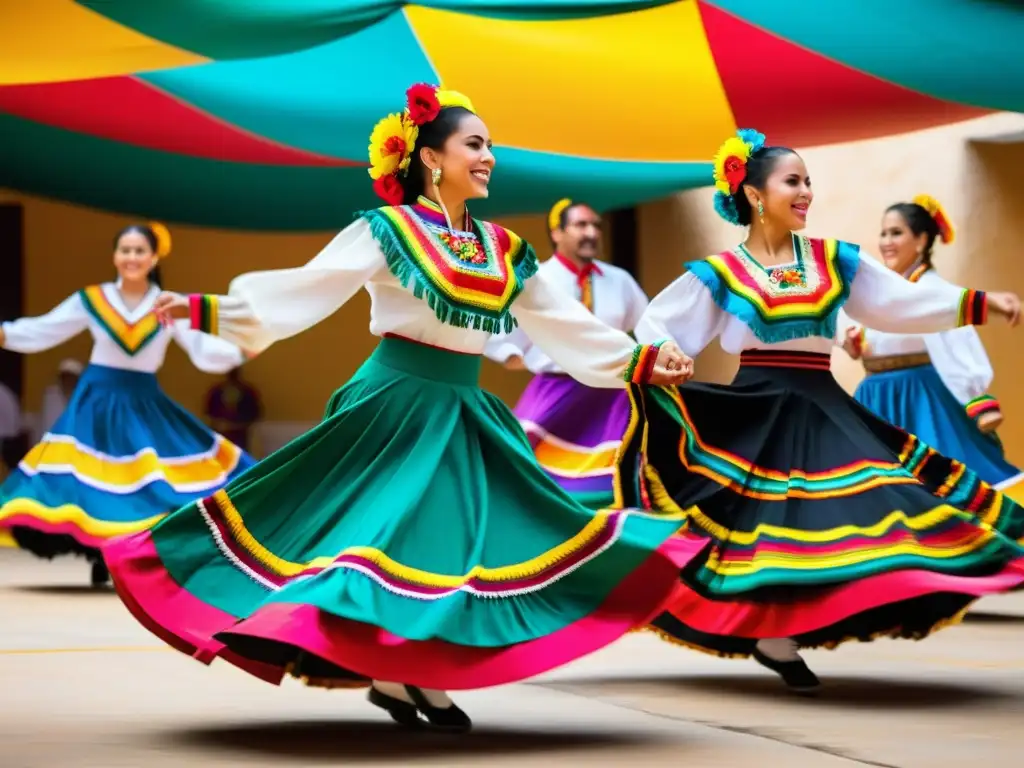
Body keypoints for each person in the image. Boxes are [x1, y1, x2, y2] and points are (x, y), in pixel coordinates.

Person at [102, 83, 693, 733]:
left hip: (464, 411)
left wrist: (641, 358)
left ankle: (408, 674)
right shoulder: (387, 230)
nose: (490, 156)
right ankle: (394, 672)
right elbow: (309, 289)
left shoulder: (504, 249)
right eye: (476, 144)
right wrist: (208, 310)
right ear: (432, 159)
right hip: (393, 405)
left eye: (491, 145)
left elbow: (562, 326)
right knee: (376, 542)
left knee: (451, 547)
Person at [614, 129, 1024, 693]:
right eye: (793, 181)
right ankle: (775, 637)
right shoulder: (721, 273)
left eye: (809, 181)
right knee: (766, 526)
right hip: (759, 410)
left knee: (879, 504)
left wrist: (978, 303)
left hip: (825, 404)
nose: (807, 191)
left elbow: (898, 304)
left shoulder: (833, 259)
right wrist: (665, 357)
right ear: (755, 194)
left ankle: (806, 623)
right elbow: (659, 326)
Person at [0, 223, 256, 586]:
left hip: (143, 403)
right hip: (96, 404)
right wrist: (6, 332)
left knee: (147, 480)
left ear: (154, 257)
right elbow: (45, 330)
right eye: (125, 250)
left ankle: (128, 556)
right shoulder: (92, 299)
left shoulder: (169, 304)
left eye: (139, 251)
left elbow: (204, 351)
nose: (131, 258)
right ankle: (98, 553)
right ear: (115, 256)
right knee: (89, 479)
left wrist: (239, 351)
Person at [840, 196, 1021, 489]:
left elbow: (950, 317)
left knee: (938, 485)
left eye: (896, 233)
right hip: (875, 399)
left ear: (922, 240)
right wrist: (850, 340)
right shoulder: (886, 288)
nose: (887, 241)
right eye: (884, 233)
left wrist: (975, 393)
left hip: (919, 400)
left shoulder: (930, 289)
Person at [484, 199, 649, 509]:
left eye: (596, 226)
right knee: (522, 473)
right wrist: (521, 358)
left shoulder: (619, 280)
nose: (591, 233)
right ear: (556, 233)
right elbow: (502, 333)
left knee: (614, 482)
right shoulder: (537, 280)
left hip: (611, 397)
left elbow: (649, 327)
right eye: (581, 225)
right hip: (556, 392)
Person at [204, 367, 262, 454]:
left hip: (240, 433)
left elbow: (255, 413)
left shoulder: (247, 392)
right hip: (221, 433)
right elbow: (210, 413)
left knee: (239, 455)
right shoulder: (217, 392)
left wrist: (238, 425)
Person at [39, 358, 84, 438]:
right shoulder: (51, 395)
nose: (68, 381)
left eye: (71, 378)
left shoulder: (85, 397)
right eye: (65, 377)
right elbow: (47, 424)